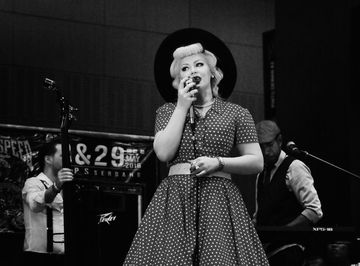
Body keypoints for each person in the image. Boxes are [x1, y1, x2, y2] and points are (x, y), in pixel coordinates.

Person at [123, 28, 269, 265]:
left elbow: (256, 161)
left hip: (218, 198)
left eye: (199, 64)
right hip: (175, 199)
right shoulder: (167, 111)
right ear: (179, 80)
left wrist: (218, 163)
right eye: (185, 68)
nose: (192, 71)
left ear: (212, 72)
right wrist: (182, 106)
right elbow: (163, 153)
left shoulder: (237, 113)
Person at [253, 120, 323, 266]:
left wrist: (284, 231)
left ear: (279, 141)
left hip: (290, 249)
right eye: (261, 147)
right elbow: (259, 214)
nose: (266, 152)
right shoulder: (260, 174)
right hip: (267, 252)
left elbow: (314, 210)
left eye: (269, 145)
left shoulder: (294, 167)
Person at [22, 140, 74, 264]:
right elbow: (35, 205)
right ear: (48, 159)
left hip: (65, 256)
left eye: (70, 155)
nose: (69, 160)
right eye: (64, 155)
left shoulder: (70, 188)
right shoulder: (33, 183)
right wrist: (56, 186)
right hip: (39, 257)